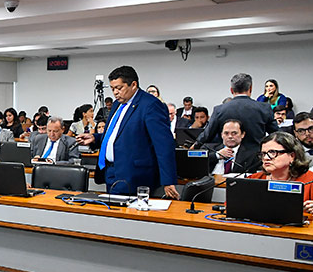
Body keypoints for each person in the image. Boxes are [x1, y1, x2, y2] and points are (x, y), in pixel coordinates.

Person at [77, 66, 178, 198]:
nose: (115, 93)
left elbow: (164, 144)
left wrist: (168, 180)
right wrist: (95, 138)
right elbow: (117, 135)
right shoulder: (117, 104)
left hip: (134, 175)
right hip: (111, 171)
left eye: (119, 88)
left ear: (133, 85)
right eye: (113, 89)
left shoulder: (150, 105)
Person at [194, 73, 278, 148]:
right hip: (256, 158)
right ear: (250, 88)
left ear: (231, 90)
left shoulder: (219, 110)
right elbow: (276, 134)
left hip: (229, 159)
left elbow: (207, 135)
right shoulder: (264, 108)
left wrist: (194, 146)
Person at [249, 131, 313, 214]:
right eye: (263, 154)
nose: (266, 158)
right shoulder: (253, 180)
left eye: (272, 152)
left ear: (292, 156)